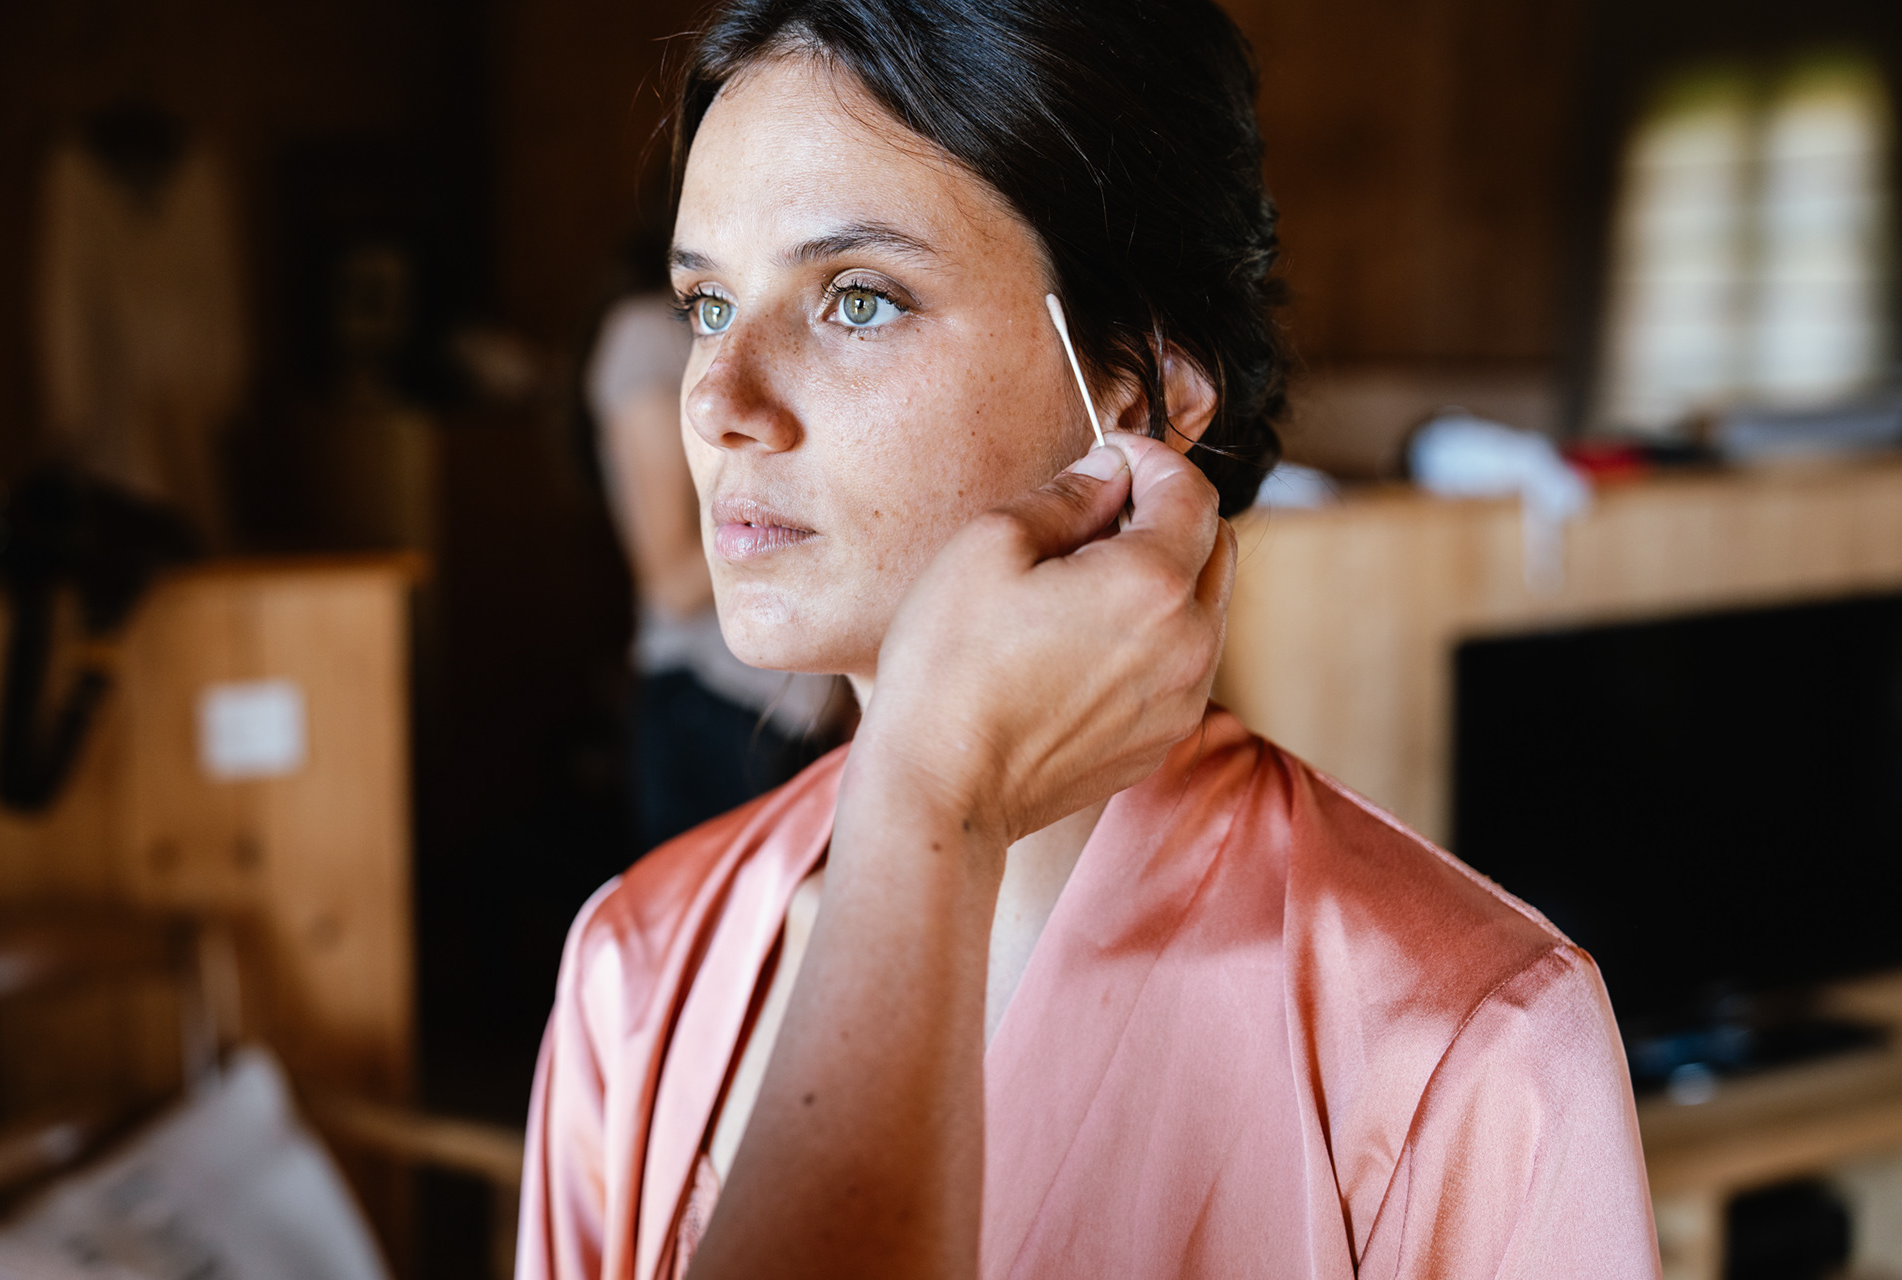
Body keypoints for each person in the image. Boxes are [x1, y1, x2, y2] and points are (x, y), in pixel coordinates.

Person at [520, 2, 1663, 1277]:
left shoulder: (1468, 1043)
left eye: (857, 299)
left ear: (1139, 392)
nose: (718, 402)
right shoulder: (637, 972)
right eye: (707, 302)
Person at [586, 288, 846, 853]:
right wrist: (833, 521)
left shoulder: (789, 315)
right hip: (712, 703)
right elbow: (671, 582)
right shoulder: (647, 336)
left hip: (810, 713)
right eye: (709, 312)